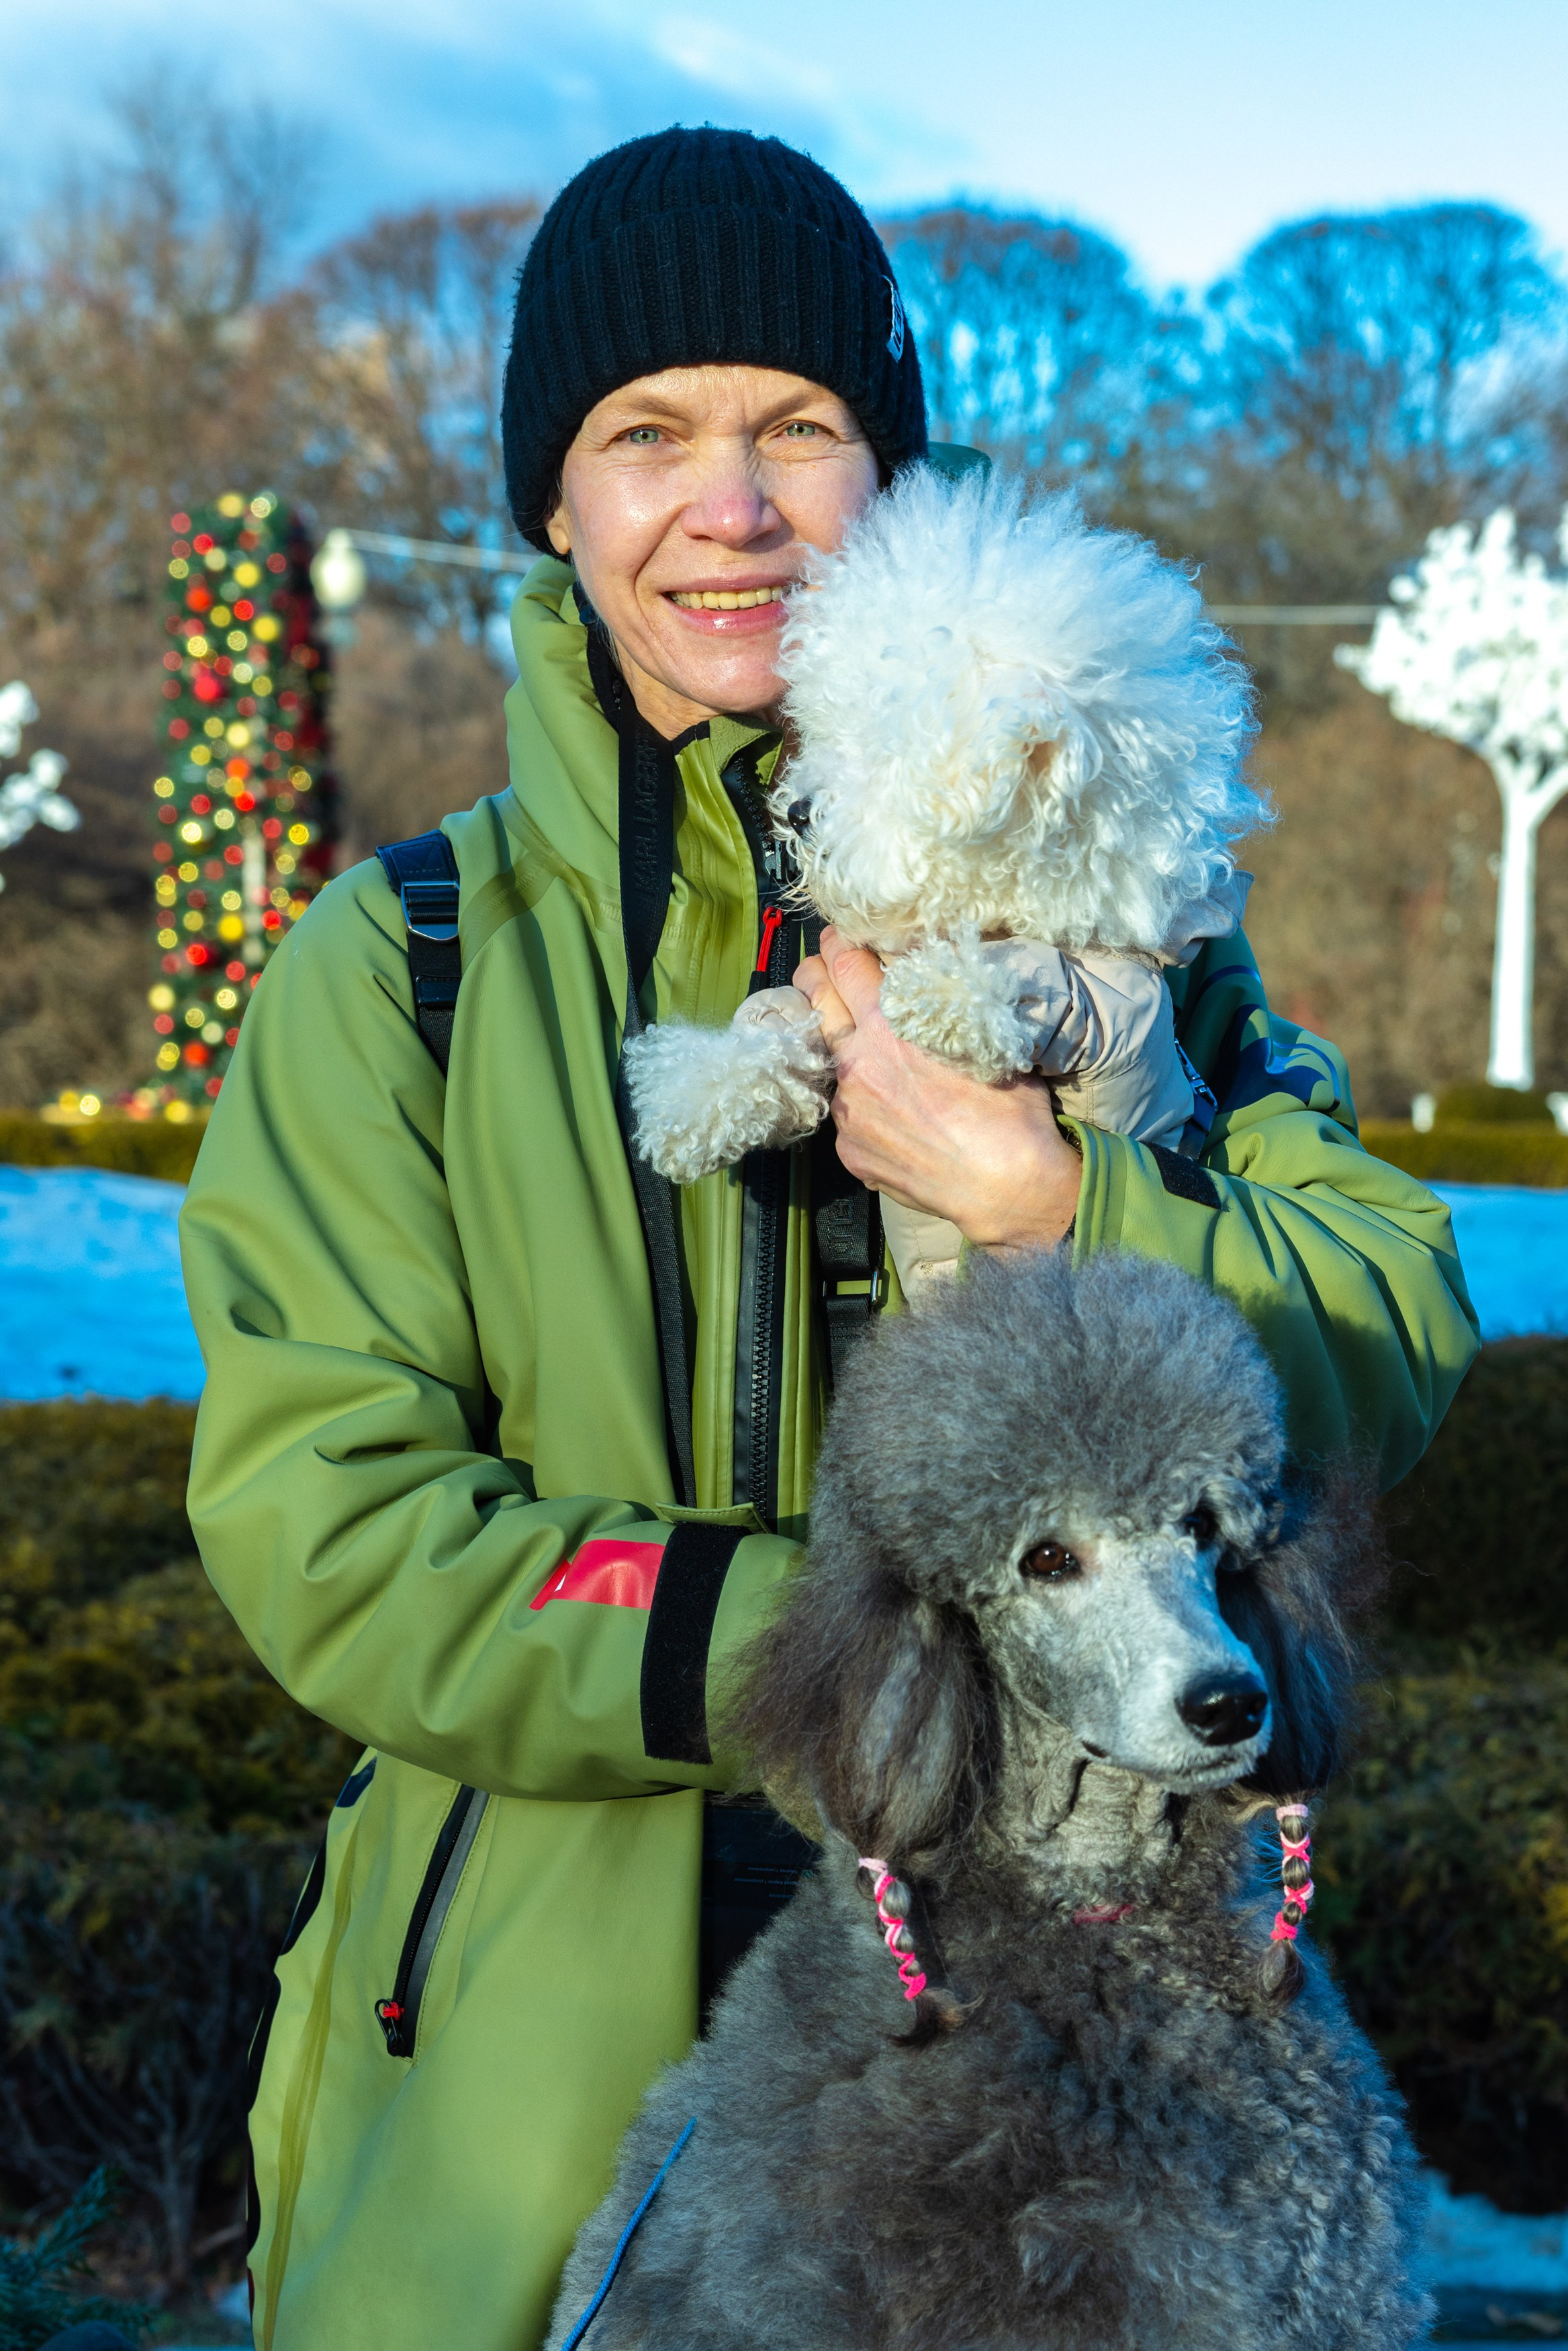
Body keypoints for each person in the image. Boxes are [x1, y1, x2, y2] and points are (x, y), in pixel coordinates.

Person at [179, 126, 1479, 2351]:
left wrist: (1065, 1201)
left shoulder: (1133, 936)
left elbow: (1388, 1330)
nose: (733, 506)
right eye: (645, 435)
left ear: (896, 467)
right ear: (552, 499)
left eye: (799, 428)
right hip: (528, 2076)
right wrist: (867, 1663)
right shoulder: (400, 967)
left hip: (1084, 2083)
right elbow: (338, 1525)